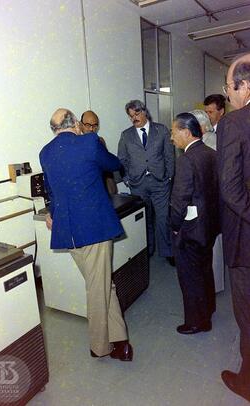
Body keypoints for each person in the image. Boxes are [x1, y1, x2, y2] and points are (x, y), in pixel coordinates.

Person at [40, 108, 133, 361]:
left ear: (54, 129)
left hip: (68, 232)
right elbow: (114, 165)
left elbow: (51, 188)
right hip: (94, 229)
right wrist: (92, 142)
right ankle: (99, 346)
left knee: (101, 283)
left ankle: (121, 341)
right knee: (97, 286)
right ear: (77, 124)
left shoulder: (45, 152)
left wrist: (51, 211)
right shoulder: (89, 142)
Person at [217, 54, 250, 402]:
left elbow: (229, 188)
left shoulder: (234, 123)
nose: (229, 95)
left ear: (244, 86)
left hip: (246, 240)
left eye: (229, 88)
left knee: (247, 313)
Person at [170, 113, 219, 335]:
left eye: (174, 132)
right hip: (207, 226)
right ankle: (208, 310)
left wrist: (174, 225)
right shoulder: (211, 153)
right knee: (204, 270)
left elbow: (179, 200)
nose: (172, 137)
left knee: (190, 277)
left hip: (190, 229)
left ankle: (197, 322)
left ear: (186, 132)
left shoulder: (186, 160)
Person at [117, 100, 175, 264]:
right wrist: (126, 179)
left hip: (160, 182)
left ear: (144, 112)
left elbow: (169, 155)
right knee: (145, 219)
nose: (133, 118)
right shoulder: (126, 135)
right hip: (138, 184)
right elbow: (122, 159)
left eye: (136, 114)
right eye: (130, 116)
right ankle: (147, 249)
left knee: (163, 218)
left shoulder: (161, 130)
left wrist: (170, 176)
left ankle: (167, 251)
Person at [190, 109, 224, 293]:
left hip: (210, 201)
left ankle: (213, 285)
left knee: (212, 246)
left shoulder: (209, 142)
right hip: (212, 201)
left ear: (201, 126)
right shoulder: (210, 139)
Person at [80, 110, 117, 195]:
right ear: (81, 124)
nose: (91, 129)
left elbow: (107, 168)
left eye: (95, 126)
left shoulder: (100, 141)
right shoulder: (76, 143)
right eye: (88, 125)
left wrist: (112, 189)